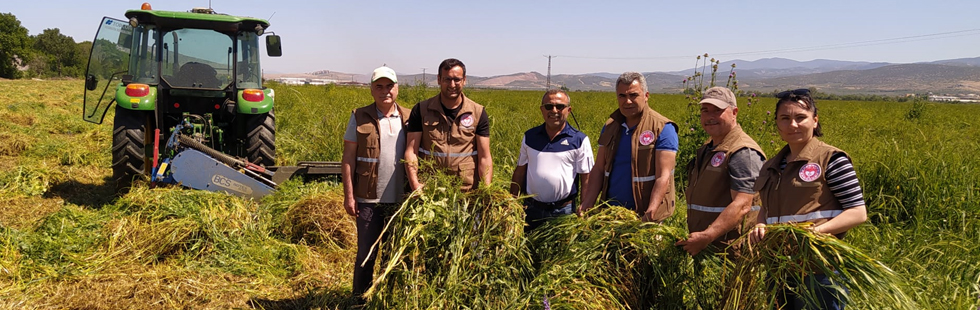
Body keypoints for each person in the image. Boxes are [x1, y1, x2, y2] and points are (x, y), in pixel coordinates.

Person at [748, 88, 868, 310]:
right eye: (785, 118)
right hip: (779, 269)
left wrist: (815, 233)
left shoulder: (831, 159)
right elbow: (767, 207)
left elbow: (858, 212)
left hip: (819, 271)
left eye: (800, 117)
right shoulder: (771, 165)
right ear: (777, 123)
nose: (792, 125)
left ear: (815, 120)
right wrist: (761, 224)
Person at [341, 66, 409, 300]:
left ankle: (386, 299)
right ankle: (359, 299)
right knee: (366, 254)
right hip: (368, 199)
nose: (385, 91)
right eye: (379, 86)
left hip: (401, 201)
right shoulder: (359, 116)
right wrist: (349, 196)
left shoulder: (410, 117)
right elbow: (348, 158)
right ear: (371, 89)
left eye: (389, 86)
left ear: (397, 88)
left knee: (394, 255)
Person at [675, 87, 766, 256]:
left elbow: (742, 205)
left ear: (734, 112)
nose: (710, 117)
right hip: (707, 247)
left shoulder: (742, 151)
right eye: (705, 111)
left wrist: (707, 235)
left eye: (718, 111)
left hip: (730, 252)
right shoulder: (708, 148)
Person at [579, 72, 679, 222]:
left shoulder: (662, 128)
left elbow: (663, 176)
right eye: (622, 96)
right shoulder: (610, 127)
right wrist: (587, 204)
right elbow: (599, 168)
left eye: (633, 95)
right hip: (611, 214)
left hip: (645, 216)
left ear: (646, 96)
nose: (628, 101)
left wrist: (651, 211)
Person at [510, 89, 594, 231]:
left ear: (568, 110)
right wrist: (512, 201)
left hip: (563, 211)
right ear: (542, 110)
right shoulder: (530, 137)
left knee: (561, 252)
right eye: (549, 106)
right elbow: (520, 171)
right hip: (531, 210)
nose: (554, 110)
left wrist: (584, 208)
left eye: (560, 106)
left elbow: (587, 178)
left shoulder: (579, 140)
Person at [405, 58, 492, 191]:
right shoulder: (421, 110)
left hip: (466, 190)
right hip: (430, 189)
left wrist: (486, 191)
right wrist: (415, 184)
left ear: (464, 80)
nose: (452, 85)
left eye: (457, 79)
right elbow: (411, 151)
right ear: (439, 80)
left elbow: (484, 157)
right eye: (447, 79)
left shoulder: (477, 112)